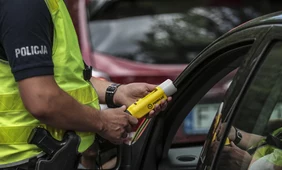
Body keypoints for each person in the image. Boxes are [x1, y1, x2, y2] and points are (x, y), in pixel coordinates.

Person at [0, 0, 171, 169]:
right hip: (26, 160)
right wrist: (102, 122)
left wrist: (118, 92)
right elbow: (43, 100)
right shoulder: (24, 5)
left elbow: (68, 80)